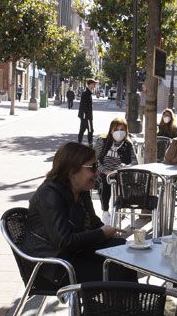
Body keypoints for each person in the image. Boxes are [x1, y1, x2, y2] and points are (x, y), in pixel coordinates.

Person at [23, 142, 136, 284]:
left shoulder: (81, 190)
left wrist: (108, 232)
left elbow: (93, 223)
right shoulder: (50, 194)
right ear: (72, 171)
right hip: (53, 266)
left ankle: (123, 304)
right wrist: (102, 233)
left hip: (75, 254)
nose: (97, 172)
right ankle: (112, 305)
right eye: (93, 167)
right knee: (118, 270)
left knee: (124, 250)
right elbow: (64, 242)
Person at [96, 118, 135, 213]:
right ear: (111, 130)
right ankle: (105, 211)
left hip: (121, 173)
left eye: (122, 130)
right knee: (105, 183)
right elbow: (95, 160)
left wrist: (124, 168)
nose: (119, 132)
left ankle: (119, 209)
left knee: (125, 184)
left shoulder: (128, 144)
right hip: (104, 171)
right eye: (116, 130)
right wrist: (106, 171)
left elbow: (134, 163)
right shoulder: (102, 141)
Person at [78, 79, 96, 146]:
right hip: (87, 117)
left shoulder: (88, 93)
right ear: (90, 84)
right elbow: (83, 106)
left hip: (86, 116)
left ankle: (79, 143)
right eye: (93, 84)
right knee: (90, 130)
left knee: (83, 129)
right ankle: (90, 144)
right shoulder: (86, 94)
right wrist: (84, 116)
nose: (94, 85)